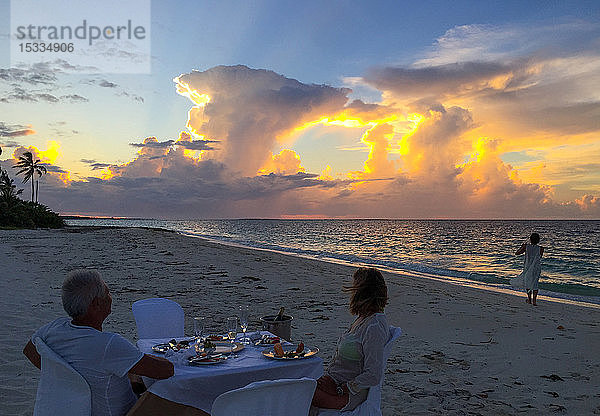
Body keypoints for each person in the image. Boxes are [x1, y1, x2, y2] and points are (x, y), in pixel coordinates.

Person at [23, 270, 175, 416]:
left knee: (133, 374)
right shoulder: (108, 344)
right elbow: (165, 370)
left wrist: (69, 379)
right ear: (96, 304)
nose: (110, 297)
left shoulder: (54, 329)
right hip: (125, 412)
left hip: (80, 408)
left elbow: (29, 350)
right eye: (107, 292)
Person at [311, 267, 389, 413]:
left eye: (354, 288)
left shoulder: (374, 326)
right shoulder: (362, 318)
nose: (351, 293)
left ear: (362, 292)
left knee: (299, 394)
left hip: (349, 394)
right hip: (336, 383)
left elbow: (373, 374)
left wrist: (341, 388)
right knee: (297, 386)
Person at [515, 233, 544, 306]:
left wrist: (521, 247)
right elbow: (539, 257)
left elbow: (517, 253)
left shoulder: (526, 246)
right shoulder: (541, 248)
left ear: (530, 239)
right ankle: (534, 301)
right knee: (535, 283)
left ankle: (529, 299)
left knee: (528, 282)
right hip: (536, 267)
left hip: (528, 266)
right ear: (538, 240)